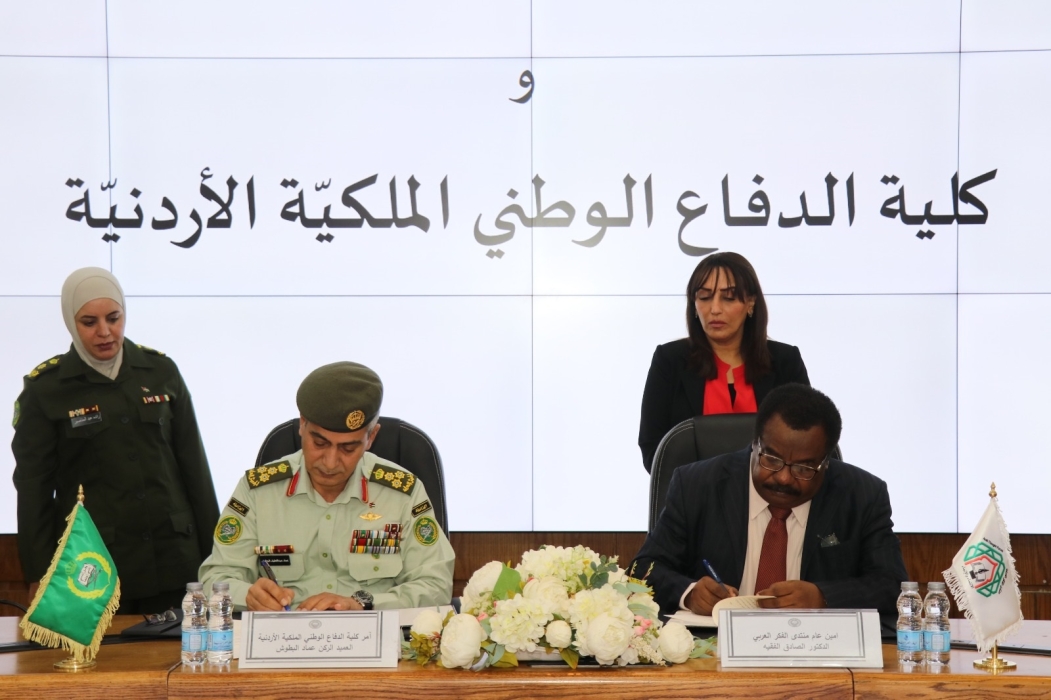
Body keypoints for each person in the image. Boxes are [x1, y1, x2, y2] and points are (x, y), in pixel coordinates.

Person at [12, 267, 219, 613]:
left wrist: (217, 558)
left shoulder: (161, 371)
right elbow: (34, 490)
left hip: (175, 558)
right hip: (95, 568)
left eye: (114, 318)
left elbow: (195, 469)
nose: (105, 332)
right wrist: (38, 572)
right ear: (70, 322)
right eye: (89, 322)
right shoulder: (46, 389)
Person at [631, 384, 907, 635]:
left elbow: (891, 584)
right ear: (755, 443)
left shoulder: (861, 495)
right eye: (772, 459)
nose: (784, 478)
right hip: (713, 649)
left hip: (816, 649)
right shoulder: (698, 485)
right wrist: (689, 593)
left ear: (825, 463)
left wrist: (823, 597)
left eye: (804, 468)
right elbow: (644, 568)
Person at [199, 361, 454, 611]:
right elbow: (216, 578)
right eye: (320, 443)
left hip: (369, 630)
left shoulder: (402, 493)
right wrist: (249, 596)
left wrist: (362, 603)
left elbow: (435, 585)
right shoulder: (257, 491)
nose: (330, 463)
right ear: (302, 424)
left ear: (371, 437)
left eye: (348, 448)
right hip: (283, 632)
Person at [638, 252, 809, 472]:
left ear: (751, 302)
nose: (715, 309)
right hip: (693, 490)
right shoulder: (669, 360)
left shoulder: (785, 361)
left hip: (773, 490)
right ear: (694, 304)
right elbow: (654, 451)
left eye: (728, 298)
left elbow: (806, 440)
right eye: (704, 297)